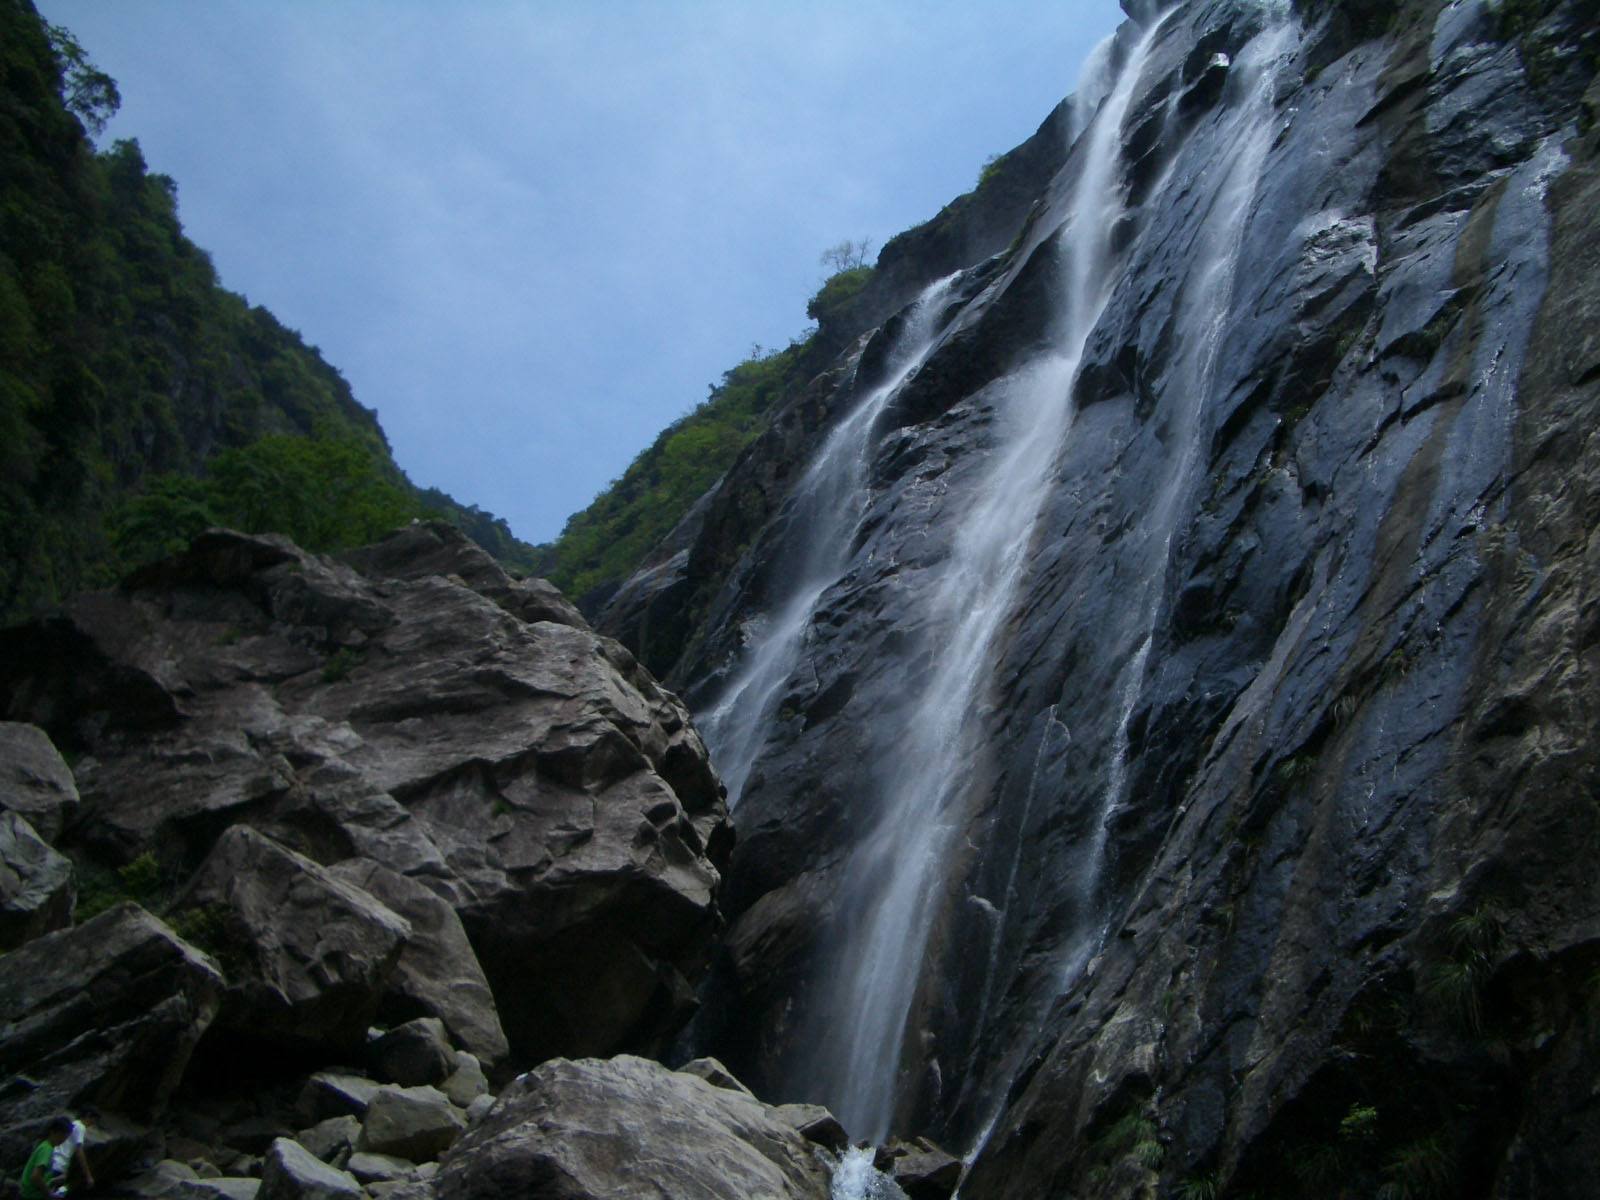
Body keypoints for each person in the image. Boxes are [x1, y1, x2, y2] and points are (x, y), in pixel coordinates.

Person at [17, 1118, 70, 1200]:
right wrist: (49, 1193)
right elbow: (35, 1176)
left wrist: (53, 1180)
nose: (63, 1140)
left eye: (65, 1137)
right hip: (31, 1195)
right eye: (61, 1136)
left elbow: (41, 1175)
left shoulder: (47, 1146)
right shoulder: (46, 1149)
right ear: (53, 1132)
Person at [49, 1112, 94, 1195]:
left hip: (53, 1161)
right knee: (57, 1193)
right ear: (88, 1117)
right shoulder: (81, 1127)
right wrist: (88, 1176)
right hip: (60, 1165)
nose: (93, 1123)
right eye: (93, 1119)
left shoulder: (73, 1124)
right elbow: (79, 1150)